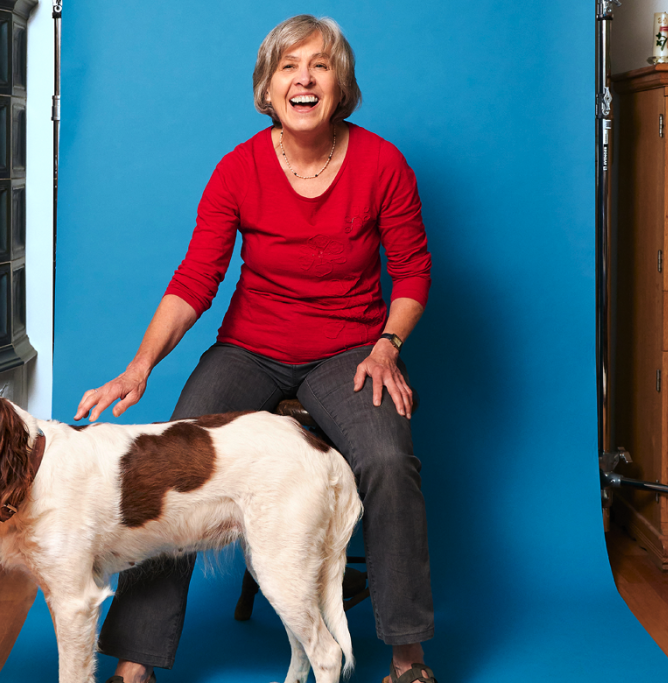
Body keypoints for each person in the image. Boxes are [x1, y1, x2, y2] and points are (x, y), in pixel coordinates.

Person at [74, 14, 437, 683]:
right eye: (288, 67)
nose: (304, 79)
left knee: (389, 457)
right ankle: (135, 660)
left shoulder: (382, 163)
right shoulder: (238, 168)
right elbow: (196, 278)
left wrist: (387, 344)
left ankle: (408, 656)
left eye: (320, 65)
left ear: (341, 84)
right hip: (251, 348)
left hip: (349, 350)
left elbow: (413, 271)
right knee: (168, 458)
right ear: (267, 89)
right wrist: (140, 364)